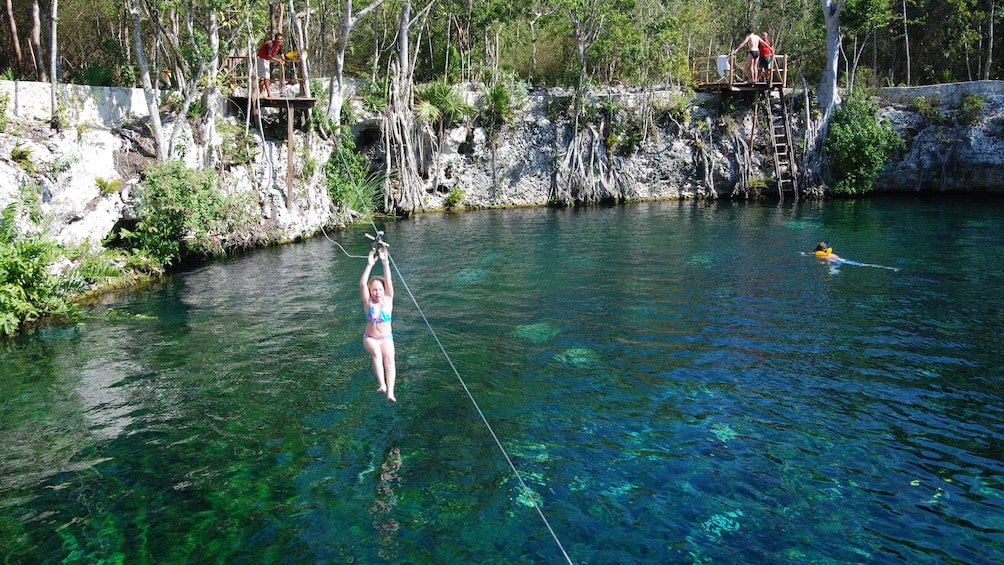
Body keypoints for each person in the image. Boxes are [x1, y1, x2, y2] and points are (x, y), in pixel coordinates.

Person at [361, 246, 397, 402]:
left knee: (389, 359)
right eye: (374, 290)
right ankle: (382, 384)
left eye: (380, 289)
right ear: (370, 291)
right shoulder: (368, 302)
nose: (377, 292)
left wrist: (385, 263)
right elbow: (362, 285)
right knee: (376, 352)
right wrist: (369, 265)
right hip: (370, 337)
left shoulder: (388, 300)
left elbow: (388, 281)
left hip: (386, 337)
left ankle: (390, 392)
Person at [256, 33, 284, 98]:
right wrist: (278, 60)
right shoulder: (270, 44)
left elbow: (281, 53)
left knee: (263, 77)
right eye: (278, 39)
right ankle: (268, 93)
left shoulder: (279, 45)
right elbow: (269, 56)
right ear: (275, 39)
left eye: (281, 39)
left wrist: (283, 59)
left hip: (266, 60)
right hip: (261, 58)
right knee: (266, 77)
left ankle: (262, 93)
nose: (279, 41)